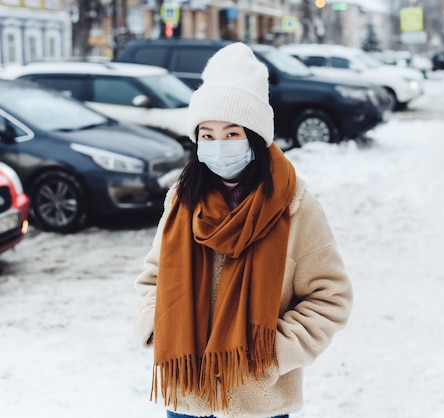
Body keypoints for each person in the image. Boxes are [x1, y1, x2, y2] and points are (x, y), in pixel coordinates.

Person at [133, 42, 353, 418]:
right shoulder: (182, 200)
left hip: (258, 400)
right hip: (188, 392)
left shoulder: (294, 206)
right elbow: (154, 279)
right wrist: (158, 330)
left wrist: (270, 354)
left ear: (254, 137)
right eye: (208, 134)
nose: (218, 144)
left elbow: (330, 297)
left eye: (232, 134)